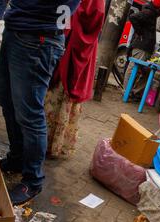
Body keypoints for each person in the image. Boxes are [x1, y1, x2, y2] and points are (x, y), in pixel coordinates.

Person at [0, 0, 81, 205]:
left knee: (30, 114)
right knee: (7, 100)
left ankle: (33, 180)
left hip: (38, 38)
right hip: (16, 29)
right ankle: (17, 158)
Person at [44, 0, 105, 159]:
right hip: (69, 39)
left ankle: (48, 143)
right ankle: (51, 143)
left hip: (73, 42)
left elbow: (93, 17)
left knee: (59, 92)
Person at [123, 0, 160, 100]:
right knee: (133, 68)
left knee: (146, 72)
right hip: (141, 47)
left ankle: (134, 92)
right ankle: (126, 91)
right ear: (158, 8)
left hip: (145, 48)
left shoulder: (152, 13)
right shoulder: (149, 13)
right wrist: (140, 32)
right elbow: (133, 17)